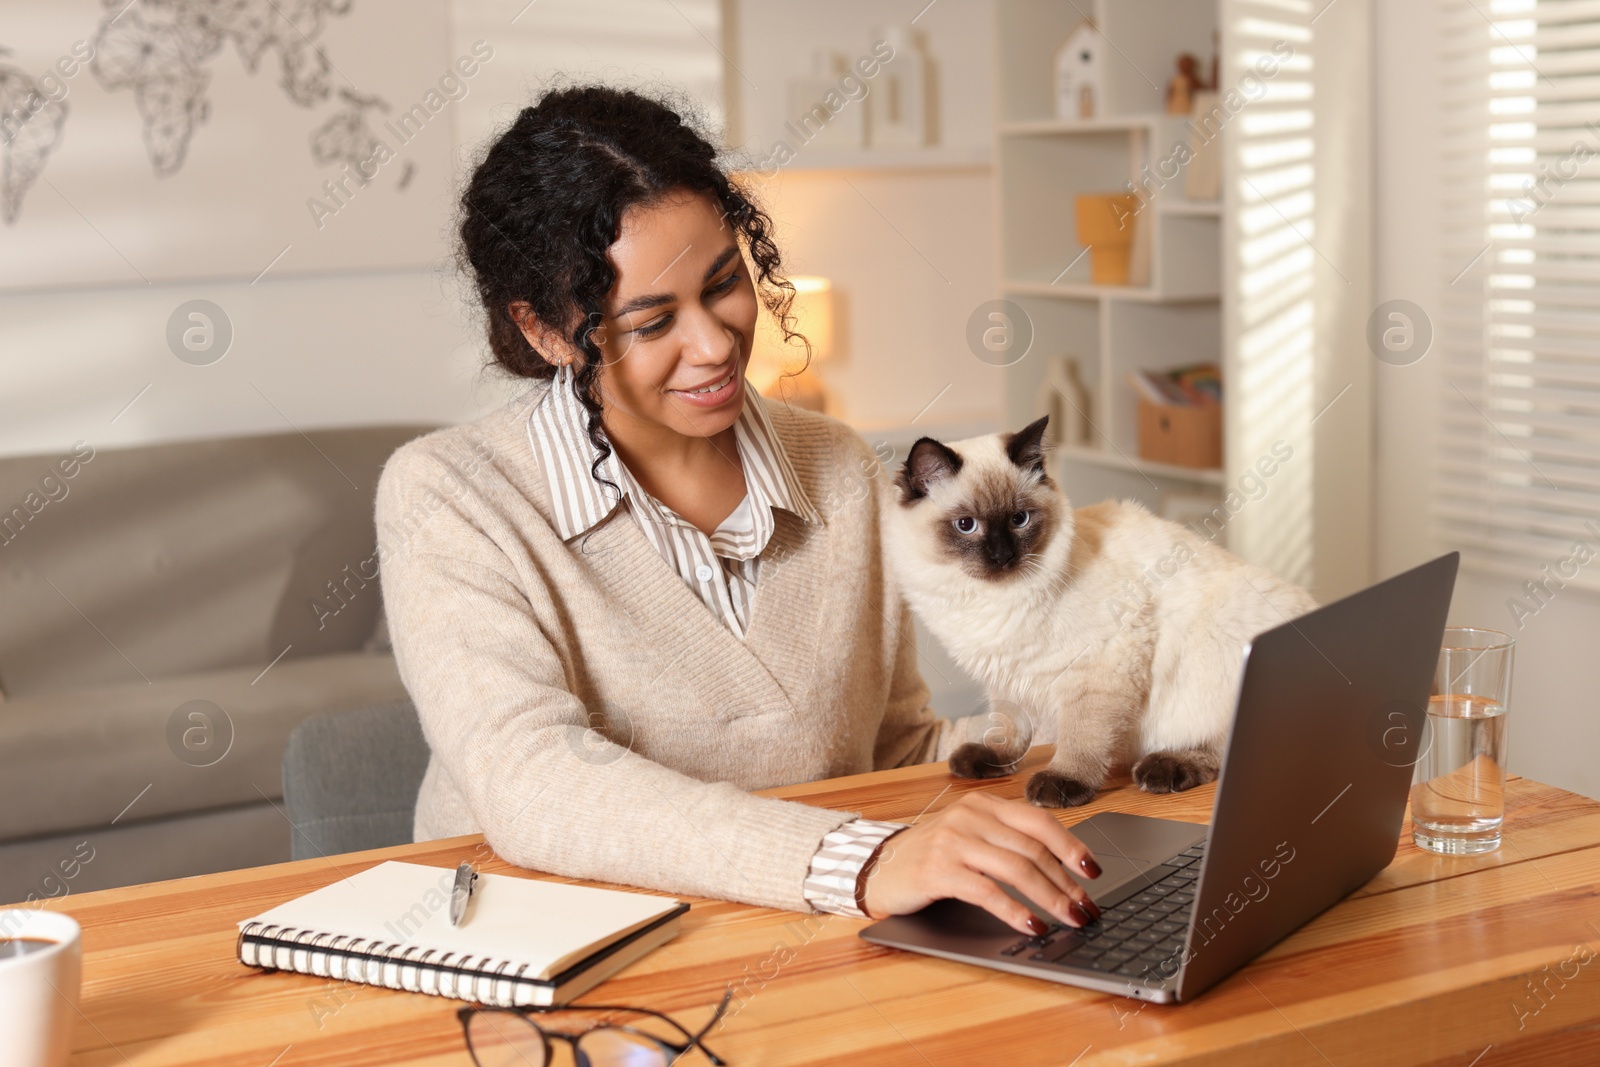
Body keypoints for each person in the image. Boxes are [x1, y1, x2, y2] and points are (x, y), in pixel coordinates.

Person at [374, 84, 1103, 938]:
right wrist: (863, 861)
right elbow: (535, 784)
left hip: (803, 940)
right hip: (550, 961)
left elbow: (895, 748)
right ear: (543, 332)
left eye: (725, 283)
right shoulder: (450, 496)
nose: (716, 344)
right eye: (652, 323)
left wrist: (1111, 718)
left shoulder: (837, 466)